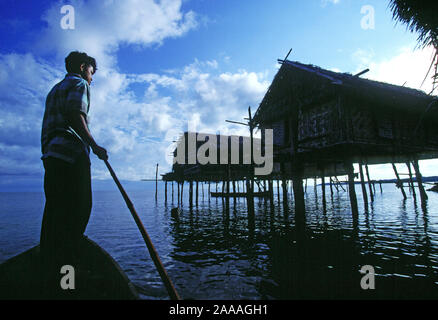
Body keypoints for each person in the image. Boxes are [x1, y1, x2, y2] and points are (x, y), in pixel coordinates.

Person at [40, 51, 107, 294]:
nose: (91, 79)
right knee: (80, 208)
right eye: (91, 72)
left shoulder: (54, 89)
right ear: (82, 67)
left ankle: (50, 268)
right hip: (70, 155)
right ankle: (70, 269)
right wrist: (94, 145)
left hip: (52, 157)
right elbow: (75, 115)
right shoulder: (78, 83)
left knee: (55, 213)